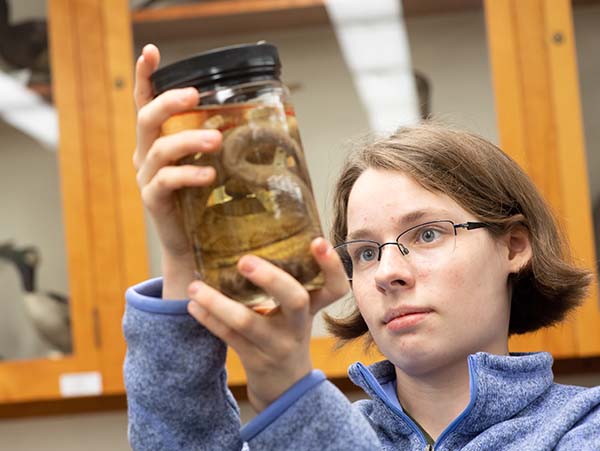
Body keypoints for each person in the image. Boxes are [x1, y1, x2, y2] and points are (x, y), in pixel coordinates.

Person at [123, 44, 600, 451]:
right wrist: (186, 253)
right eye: (366, 252)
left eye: (427, 234)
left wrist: (288, 390)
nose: (387, 271)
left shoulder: (583, 429)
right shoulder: (317, 430)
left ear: (514, 246)